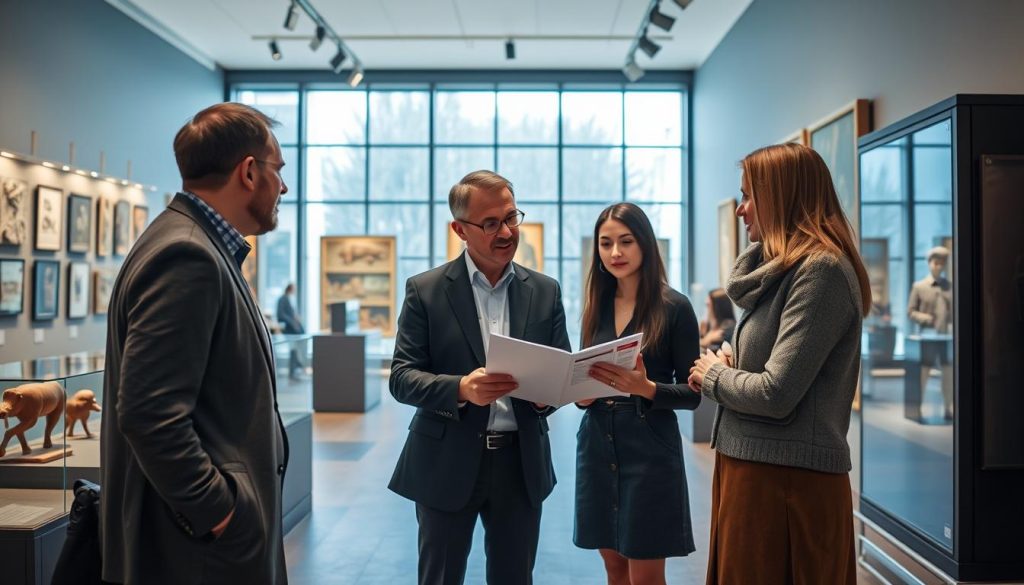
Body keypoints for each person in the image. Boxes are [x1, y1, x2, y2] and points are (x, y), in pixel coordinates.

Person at [100, 103, 290, 585]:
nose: (283, 188)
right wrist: (219, 513)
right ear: (249, 171)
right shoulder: (188, 253)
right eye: (278, 171)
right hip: (195, 552)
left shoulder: (192, 242)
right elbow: (149, 413)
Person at [688, 143, 871, 585]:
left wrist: (716, 375)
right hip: (754, 475)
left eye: (750, 197)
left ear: (784, 197)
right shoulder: (782, 269)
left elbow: (777, 393)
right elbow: (773, 366)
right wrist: (736, 361)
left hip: (788, 486)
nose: (741, 210)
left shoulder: (820, 271)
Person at [388, 170, 571, 585]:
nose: (506, 231)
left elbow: (563, 370)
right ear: (460, 229)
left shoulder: (545, 291)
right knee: (440, 576)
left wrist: (549, 397)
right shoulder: (426, 290)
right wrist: (460, 389)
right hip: (446, 461)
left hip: (520, 463)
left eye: (512, 217)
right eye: (491, 223)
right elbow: (401, 377)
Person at [573, 202, 701, 585]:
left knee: (645, 574)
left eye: (626, 241)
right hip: (597, 440)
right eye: (606, 243)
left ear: (644, 244)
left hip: (649, 445)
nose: (615, 253)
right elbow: (585, 378)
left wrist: (645, 388)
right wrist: (580, 393)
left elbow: (693, 394)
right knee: (614, 568)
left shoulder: (674, 307)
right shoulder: (595, 306)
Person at [907, 245, 953, 419]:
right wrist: (927, 319)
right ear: (929, 263)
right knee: (923, 373)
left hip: (946, 337)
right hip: (926, 337)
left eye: (941, 263)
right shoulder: (919, 287)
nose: (938, 267)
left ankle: (948, 407)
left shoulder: (949, 287)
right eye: (935, 263)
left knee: (948, 374)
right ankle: (917, 408)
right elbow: (910, 311)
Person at [277, 282, 306, 379]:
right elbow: (281, 315)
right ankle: (293, 371)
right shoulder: (283, 299)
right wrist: (292, 322)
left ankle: (296, 369)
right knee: (293, 350)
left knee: (294, 350)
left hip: (294, 330)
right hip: (289, 330)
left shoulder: (290, 299)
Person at [698, 288, 736, 353]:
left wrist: (705, 341)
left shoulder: (728, 328)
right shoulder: (707, 326)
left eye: (708, 305)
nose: (707, 309)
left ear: (717, 307)